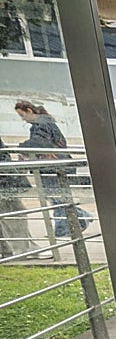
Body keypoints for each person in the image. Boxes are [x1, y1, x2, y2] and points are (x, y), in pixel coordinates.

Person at [14, 99, 92, 239]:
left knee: (57, 198)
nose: (23, 119)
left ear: (29, 111)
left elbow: (39, 144)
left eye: (22, 115)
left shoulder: (40, 125)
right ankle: (75, 222)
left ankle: (71, 224)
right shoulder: (46, 123)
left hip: (53, 167)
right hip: (56, 166)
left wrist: (21, 148)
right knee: (58, 198)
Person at [0, 137, 32, 258]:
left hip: (5, 180)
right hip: (5, 181)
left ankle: (12, 250)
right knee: (15, 213)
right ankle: (20, 250)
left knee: (13, 213)